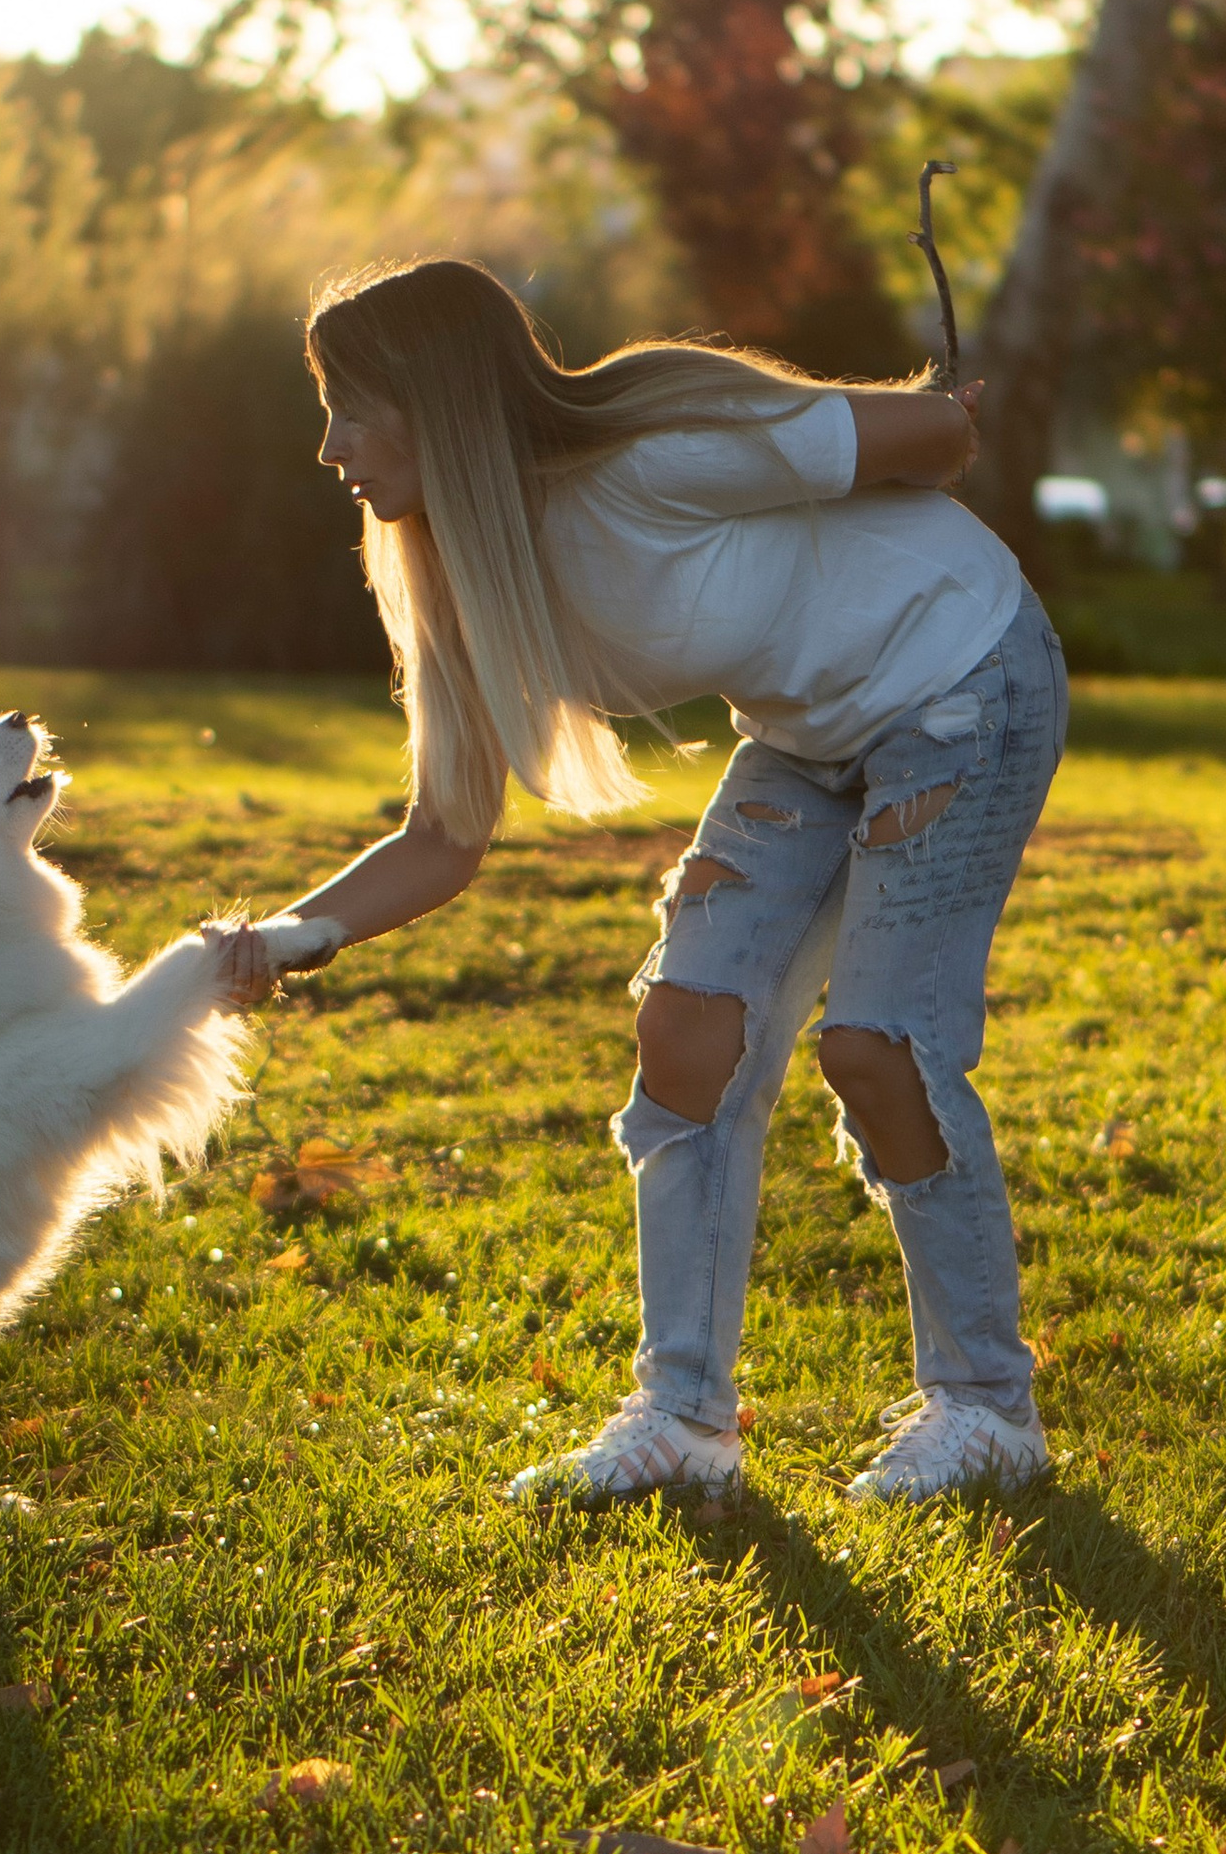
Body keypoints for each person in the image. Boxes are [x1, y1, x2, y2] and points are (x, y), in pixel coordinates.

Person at [212, 258, 1067, 1507]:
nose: (330, 446)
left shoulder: (653, 457)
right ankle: (681, 1421)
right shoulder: (459, 571)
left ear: (437, 399)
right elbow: (445, 837)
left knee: (878, 1047)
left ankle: (988, 1409)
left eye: (350, 405)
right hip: (810, 737)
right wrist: (292, 935)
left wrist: (918, 406)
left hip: (961, 675)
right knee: (686, 1029)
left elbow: (939, 437)